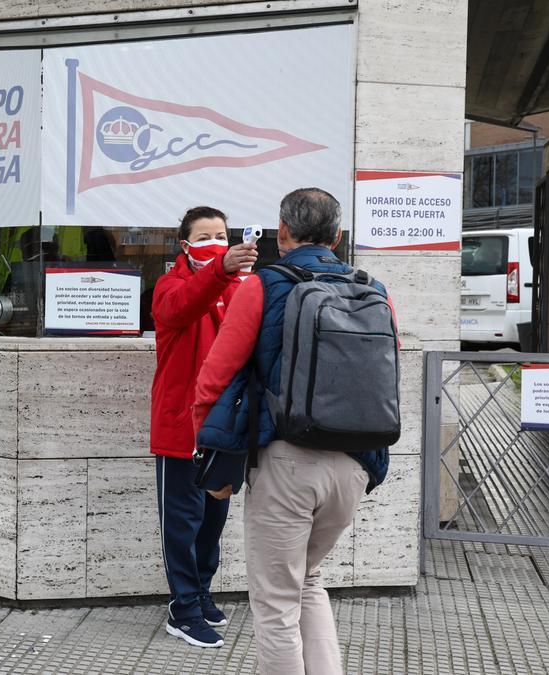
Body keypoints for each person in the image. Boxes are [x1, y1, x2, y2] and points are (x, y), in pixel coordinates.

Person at [192, 188, 392, 674]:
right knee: (308, 581)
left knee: (276, 601)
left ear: (282, 231)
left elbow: (214, 378)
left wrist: (211, 458)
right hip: (353, 465)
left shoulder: (263, 286)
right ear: (338, 237)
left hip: (287, 464)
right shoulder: (373, 289)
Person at [149, 206, 257, 648]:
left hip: (225, 427)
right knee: (182, 522)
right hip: (181, 427)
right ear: (185, 244)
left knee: (214, 519)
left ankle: (202, 592)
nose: (215, 241)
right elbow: (181, 307)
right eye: (206, 235)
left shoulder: (241, 288)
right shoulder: (170, 286)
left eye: (222, 234)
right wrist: (219, 270)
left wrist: (238, 280)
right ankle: (183, 607)